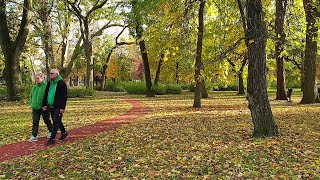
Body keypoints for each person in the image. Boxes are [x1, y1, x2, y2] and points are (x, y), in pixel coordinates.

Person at [43, 69, 68, 145]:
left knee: (56, 122)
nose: (50, 75)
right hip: (51, 106)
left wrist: (62, 108)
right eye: (50, 73)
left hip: (58, 106)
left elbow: (64, 96)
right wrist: (44, 104)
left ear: (57, 74)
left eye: (52, 73)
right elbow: (46, 94)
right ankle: (64, 132)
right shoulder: (49, 83)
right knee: (56, 120)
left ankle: (52, 138)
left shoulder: (61, 83)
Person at [28, 73, 53, 142]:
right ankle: (34, 135)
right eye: (36, 78)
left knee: (46, 120)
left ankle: (52, 131)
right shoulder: (34, 87)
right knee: (35, 121)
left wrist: (46, 105)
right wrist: (31, 103)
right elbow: (31, 95)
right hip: (35, 107)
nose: (37, 80)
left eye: (38, 78)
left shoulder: (46, 86)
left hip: (43, 107)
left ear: (42, 78)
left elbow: (49, 96)